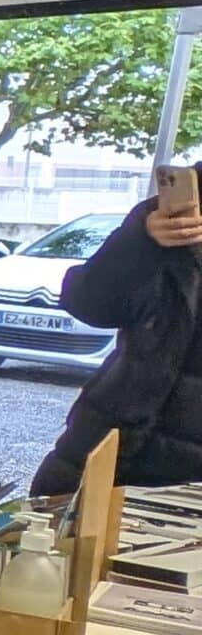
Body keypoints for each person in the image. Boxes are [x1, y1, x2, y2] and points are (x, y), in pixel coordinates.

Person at [33, 179, 202, 495]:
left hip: (186, 474)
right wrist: (141, 240)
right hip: (108, 445)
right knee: (50, 539)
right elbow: (88, 305)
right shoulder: (164, 215)